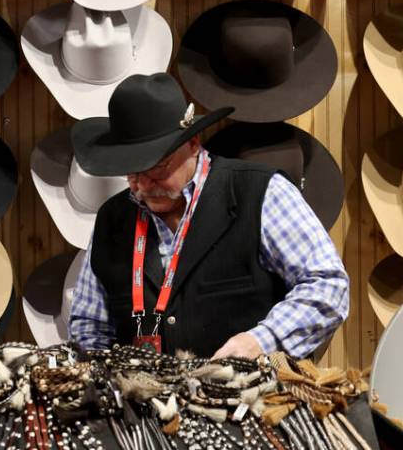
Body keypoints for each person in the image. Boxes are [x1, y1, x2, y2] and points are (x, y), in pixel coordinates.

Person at [68, 73, 350, 359]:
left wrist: (261, 341)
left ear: (192, 144)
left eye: (156, 167)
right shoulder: (112, 219)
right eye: (131, 171)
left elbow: (328, 287)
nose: (141, 185)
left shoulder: (260, 193)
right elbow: (90, 326)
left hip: (253, 398)